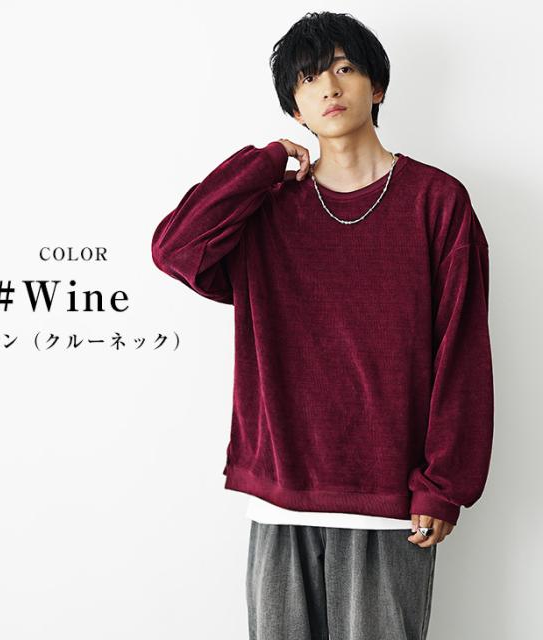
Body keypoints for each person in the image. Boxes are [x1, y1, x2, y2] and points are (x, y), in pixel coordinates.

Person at [151, 11, 494, 640]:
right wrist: (260, 166)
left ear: (377, 86)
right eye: (309, 79)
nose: (329, 88)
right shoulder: (268, 211)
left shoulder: (437, 202)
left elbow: (462, 350)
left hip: (389, 501)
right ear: (295, 107)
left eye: (344, 69)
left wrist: (443, 484)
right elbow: (175, 250)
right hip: (280, 494)